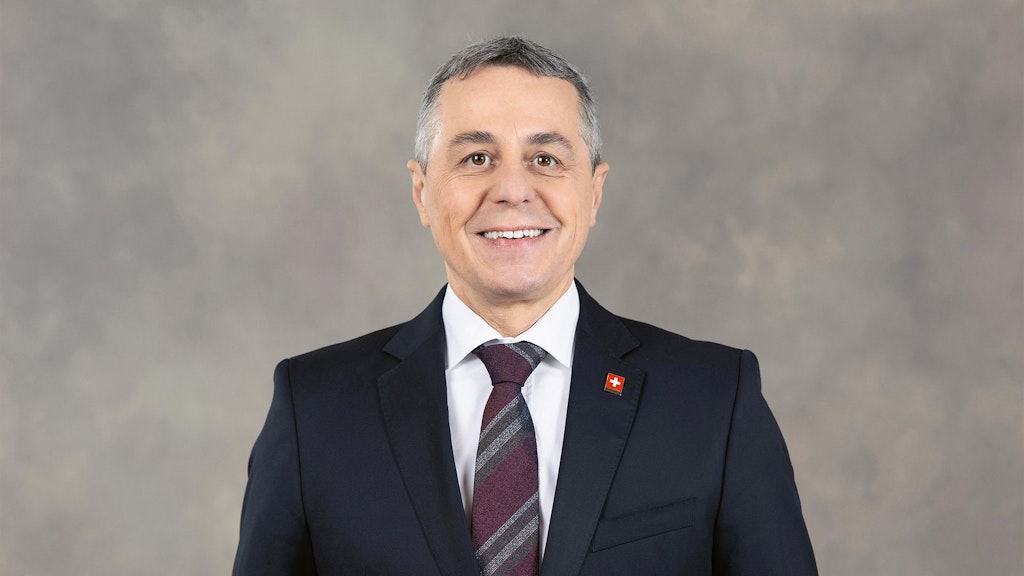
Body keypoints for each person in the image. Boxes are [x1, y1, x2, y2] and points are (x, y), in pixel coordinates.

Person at [233, 36, 817, 576]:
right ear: (421, 192)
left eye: (545, 159)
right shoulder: (313, 410)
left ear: (593, 193)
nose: (512, 190)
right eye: (476, 159)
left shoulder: (715, 402)